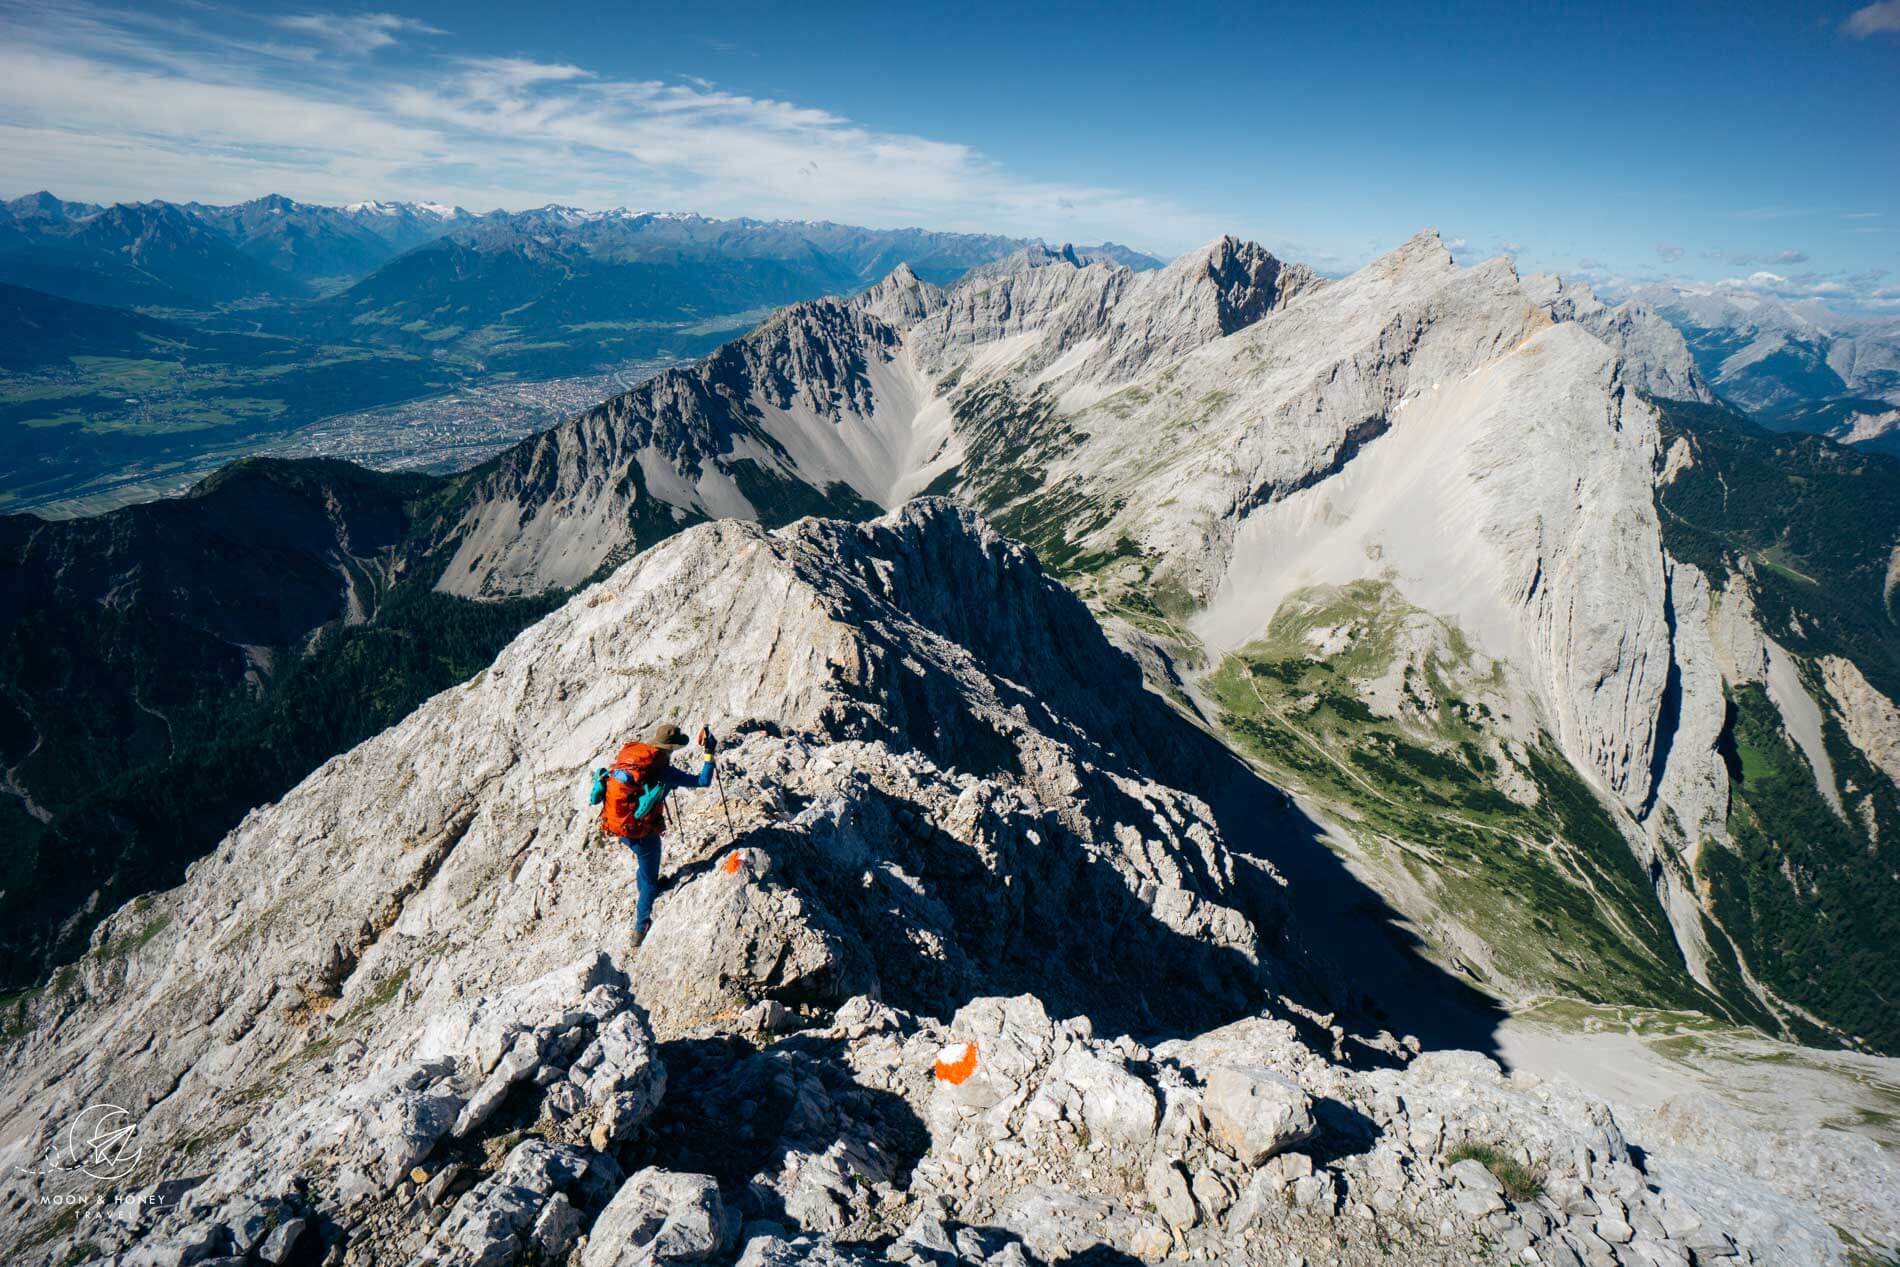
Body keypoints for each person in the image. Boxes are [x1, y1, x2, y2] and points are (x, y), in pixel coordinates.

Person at [591, 722, 718, 947]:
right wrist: (709, 754)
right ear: (671, 748)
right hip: (642, 832)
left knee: (644, 864)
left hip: (618, 825)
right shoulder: (664, 772)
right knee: (650, 878)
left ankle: (647, 888)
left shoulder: (633, 759)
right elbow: (703, 781)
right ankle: (640, 928)